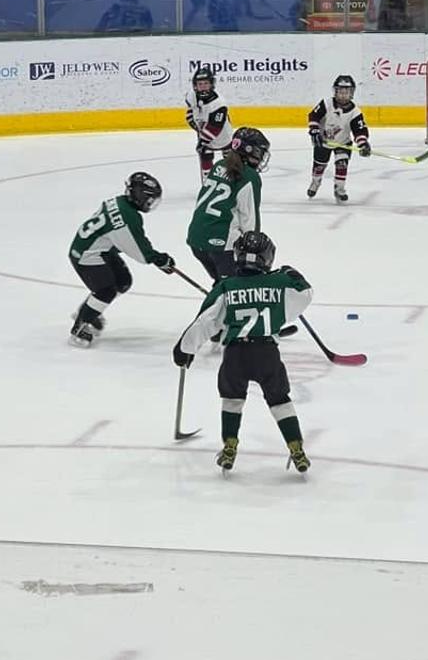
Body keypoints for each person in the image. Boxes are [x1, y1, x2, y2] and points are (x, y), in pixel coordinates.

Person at [173, 230, 312, 474]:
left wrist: (186, 347)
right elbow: (305, 294)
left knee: (232, 399)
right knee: (279, 399)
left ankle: (229, 445)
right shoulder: (280, 283)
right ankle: (296, 447)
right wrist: (292, 274)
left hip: (235, 354)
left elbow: (206, 321)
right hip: (267, 352)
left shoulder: (226, 286)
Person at [68, 172, 175, 346]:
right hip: (86, 256)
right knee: (106, 291)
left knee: (123, 281)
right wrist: (158, 259)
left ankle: (88, 309)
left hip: (97, 250)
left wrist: (157, 259)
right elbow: (139, 251)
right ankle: (80, 327)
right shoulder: (127, 217)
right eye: (149, 200)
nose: (149, 204)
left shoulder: (120, 203)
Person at [187, 126, 270, 283]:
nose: (261, 157)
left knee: (223, 286)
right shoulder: (249, 176)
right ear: (249, 151)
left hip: (196, 238)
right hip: (221, 244)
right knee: (237, 289)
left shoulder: (219, 165)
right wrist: (253, 249)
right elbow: (249, 221)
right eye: (259, 152)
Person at [307, 75, 371, 203]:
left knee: (342, 164)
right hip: (323, 141)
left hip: (343, 142)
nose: (343, 95)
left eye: (346, 92)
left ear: (352, 93)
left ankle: (339, 188)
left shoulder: (355, 112)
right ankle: (315, 182)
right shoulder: (326, 104)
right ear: (335, 91)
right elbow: (313, 116)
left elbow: (359, 130)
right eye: (340, 92)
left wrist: (363, 144)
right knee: (319, 166)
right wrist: (314, 130)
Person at [184, 66, 234, 183]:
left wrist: (203, 141)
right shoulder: (192, 96)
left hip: (223, 136)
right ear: (195, 85)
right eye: (200, 84)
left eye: (206, 83)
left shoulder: (219, 104)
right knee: (205, 156)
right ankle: (208, 183)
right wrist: (196, 125)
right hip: (206, 135)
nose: (203, 87)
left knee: (230, 164)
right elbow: (191, 111)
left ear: (212, 84)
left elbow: (215, 128)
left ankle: (232, 182)